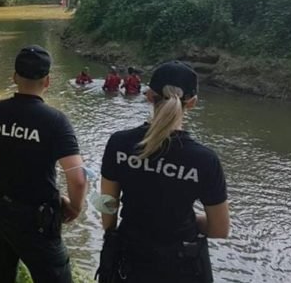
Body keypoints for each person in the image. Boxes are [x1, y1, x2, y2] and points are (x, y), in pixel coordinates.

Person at [0, 45, 88, 283]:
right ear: (47, 81)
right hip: (38, 219)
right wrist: (75, 207)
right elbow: (77, 177)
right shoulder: (56, 122)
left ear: (14, 77)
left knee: (0, 277)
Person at [97, 61, 230, 283]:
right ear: (193, 103)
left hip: (128, 262)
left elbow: (106, 203)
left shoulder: (119, 143)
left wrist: (112, 229)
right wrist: (187, 219)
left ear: (149, 95)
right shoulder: (205, 160)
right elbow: (220, 228)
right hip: (180, 268)